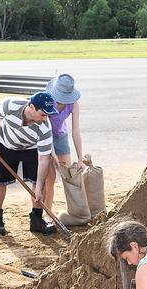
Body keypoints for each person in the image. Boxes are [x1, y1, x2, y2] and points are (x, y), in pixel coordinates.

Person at [0, 91, 58, 235]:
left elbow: (44, 159)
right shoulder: (9, 105)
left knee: (39, 183)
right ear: (31, 107)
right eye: (43, 114)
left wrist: (38, 188)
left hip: (31, 149)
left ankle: (37, 220)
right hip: (6, 145)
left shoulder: (45, 128)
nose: (46, 118)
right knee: (0, 182)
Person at [45, 74, 84, 214]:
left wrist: (80, 159)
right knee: (50, 176)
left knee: (69, 173)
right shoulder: (47, 101)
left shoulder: (73, 104)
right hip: (44, 136)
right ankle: (48, 213)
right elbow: (46, 130)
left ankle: (74, 211)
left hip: (61, 135)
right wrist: (52, 154)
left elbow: (76, 131)